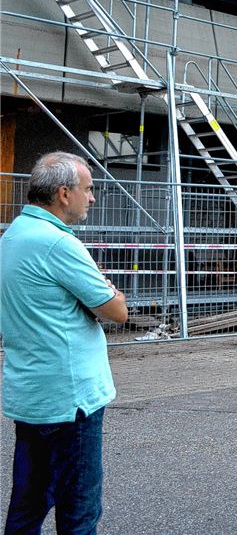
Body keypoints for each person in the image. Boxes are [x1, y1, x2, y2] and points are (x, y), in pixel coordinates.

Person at [0, 152, 128, 533]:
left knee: (28, 503)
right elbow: (116, 310)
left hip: (32, 393)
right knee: (79, 510)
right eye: (87, 190)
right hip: (72, 399)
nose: (92, 198)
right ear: (63, 193)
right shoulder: (58, 244)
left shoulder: (13, 236)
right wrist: (107, 293)